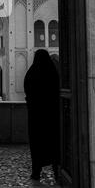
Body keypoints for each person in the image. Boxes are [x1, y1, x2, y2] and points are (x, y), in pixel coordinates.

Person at [24, 49, 60, 181]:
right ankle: (57, 171)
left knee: (37, 144)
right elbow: (58, 91)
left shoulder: (31, 73)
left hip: (36, 117)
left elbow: (27, 91)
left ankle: (36, 172)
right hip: (51, 116)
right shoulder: (53, 73)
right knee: (54, 143)